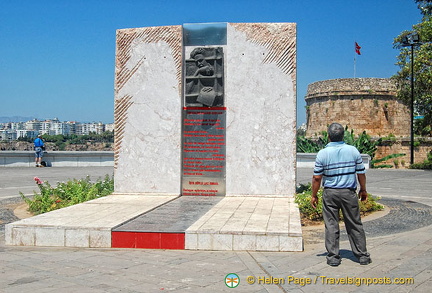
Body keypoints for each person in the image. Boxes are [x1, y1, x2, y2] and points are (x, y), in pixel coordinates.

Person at [310, 123, 371, 266]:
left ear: (328, 136)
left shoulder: (322, 153)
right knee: (354, 223)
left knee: (331, 225)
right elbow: (361, 173)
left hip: (330, 193)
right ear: (343, 135)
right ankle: (362, 256)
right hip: (349, 193)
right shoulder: (353, 151)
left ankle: (333, 257)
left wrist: (314, 195)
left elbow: (317, 178)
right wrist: (363, 189)